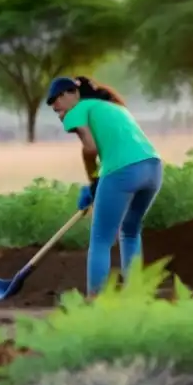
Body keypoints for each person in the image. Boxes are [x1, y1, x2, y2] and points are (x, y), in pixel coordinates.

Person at [47, 76, 163, 297]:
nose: (55, 107)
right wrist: (98, 184)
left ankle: (95, 301)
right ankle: (136, 293)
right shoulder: (113, 107)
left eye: (56, 99)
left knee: (101, 240)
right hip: (153, 169)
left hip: (122, 172)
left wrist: (93, 182)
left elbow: (89, 149)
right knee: (130, 230)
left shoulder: (79, 109)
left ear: (71, 93)